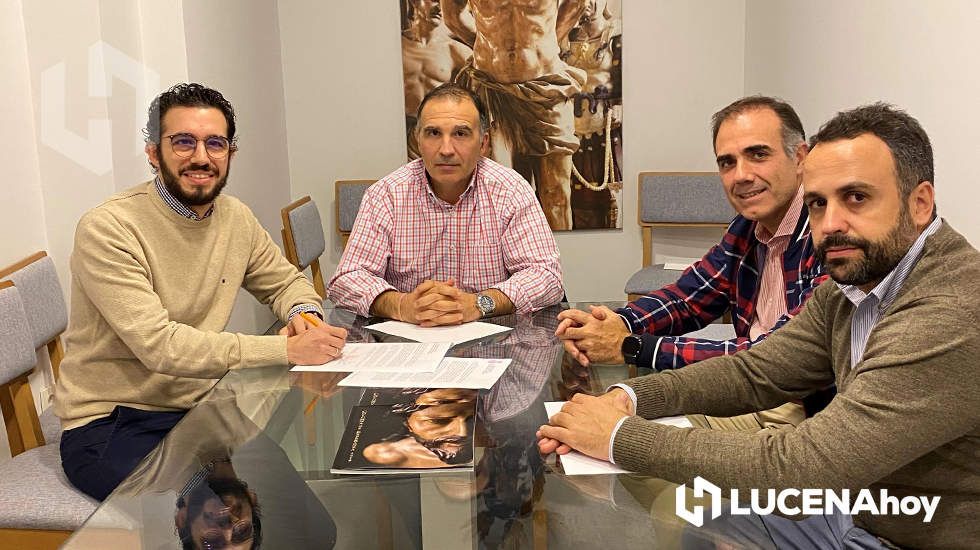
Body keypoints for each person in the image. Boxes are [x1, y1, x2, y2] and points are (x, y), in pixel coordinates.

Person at [538, 103, 980, 548]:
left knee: (680, 508)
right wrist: (629, 396)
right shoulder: (856, 281)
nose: (831, 224)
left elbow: (802, 464)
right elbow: (756, 371)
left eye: (857, 198)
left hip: (902, 532)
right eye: (818, 204)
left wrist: (616, 435)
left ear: (920, 203)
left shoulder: (949, 312)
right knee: (698, 525)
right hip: (853, 506)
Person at [55, 83, 348, 501]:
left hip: (200, 407)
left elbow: (285, 281)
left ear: (230, 153)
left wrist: (305, 318)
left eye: (215, 143)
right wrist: (285, 351)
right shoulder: (109, 228)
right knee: (205, 519)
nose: (201, 157)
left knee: (301, 519)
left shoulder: (234, 217)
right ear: (153, 152)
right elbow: (160, 347)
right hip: (114, 424)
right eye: (183, 142)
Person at [558, 95, 827, 431]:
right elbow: (687, 297)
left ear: (800, 157)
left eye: (758, 154)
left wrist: (631, 345)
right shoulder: (746, 228)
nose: (741, 175)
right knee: (595, 428)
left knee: (626, 445)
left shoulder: (829, 234)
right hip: (747, 395)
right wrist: (614, 322)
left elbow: (770, 359)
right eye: (727, 162)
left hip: (805, 413)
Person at [328, 83, 563, 325]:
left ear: (483, 143)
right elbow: (347, 278)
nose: (446, 149)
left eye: (460, 134)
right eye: (433, 133)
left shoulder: (511, 191)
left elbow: (546, 276)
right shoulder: (386, 195)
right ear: (418, 140)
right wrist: (401, 305)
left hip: (492, 345)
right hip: (410, 345)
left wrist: (479, 303)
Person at [443, 0, 588, 230]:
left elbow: (576, 3)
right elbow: (452, 15)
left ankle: (557, 263)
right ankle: (501, 265)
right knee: (497, 195)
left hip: (546, 87)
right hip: (490, 86)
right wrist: (486, 45)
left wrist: (545, 41)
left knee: (556, 195)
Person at [401, 0, 472, 159]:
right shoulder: (396, 46)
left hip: (440, 135)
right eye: (434, 0)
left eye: (445, 3)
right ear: (414, 2)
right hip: (399, 133)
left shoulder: (453, 50)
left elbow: (486, 83)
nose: (440, 8)